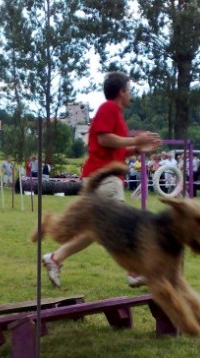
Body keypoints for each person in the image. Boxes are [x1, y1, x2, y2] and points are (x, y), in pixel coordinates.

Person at [41, 72, 161, 288]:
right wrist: (135, 139)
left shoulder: (115, 114)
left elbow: (114, 151)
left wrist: (137, 149)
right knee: (123, 224)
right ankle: (134, 271)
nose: (131, 94)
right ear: (121, 91)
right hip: (104, 178)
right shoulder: (108, 108)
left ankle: (55, 258)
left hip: (101, 177)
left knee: (96, 230)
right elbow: (104, 138)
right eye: (129, 90)